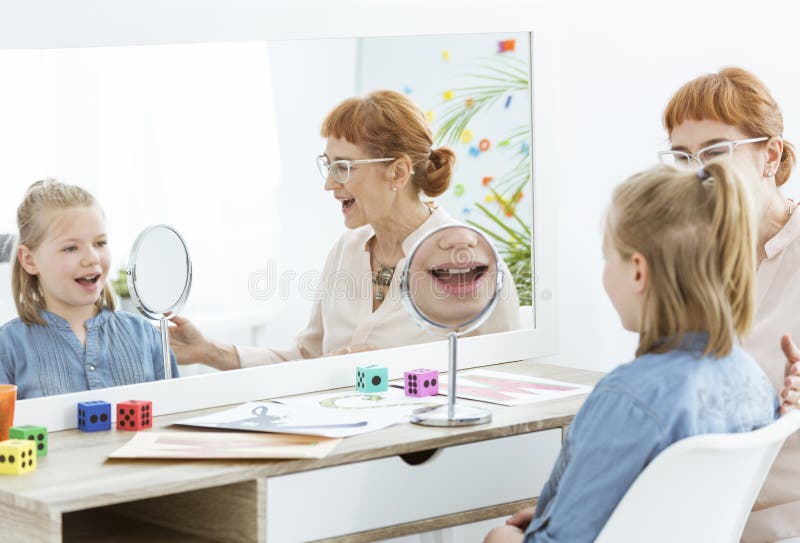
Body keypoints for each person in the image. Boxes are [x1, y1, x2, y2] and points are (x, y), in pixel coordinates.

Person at [484, 160, 778, 543]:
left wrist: (506, 536)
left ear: (638, 271)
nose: (605, 272)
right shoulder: (754, 381)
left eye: (607, 257)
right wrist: (552, 515)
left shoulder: (627, 399)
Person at [168, 90, 520, 370]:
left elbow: (505, 372)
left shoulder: (469, 258)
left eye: (344, 168)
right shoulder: (346, 249)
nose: (329, 184)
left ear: (398, 173)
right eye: (329, 166)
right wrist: (208, 351)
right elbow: (307, 360)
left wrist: (392, 371)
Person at [658, 67, 799, 543]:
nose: (696, 172)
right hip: (695, 511)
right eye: (681, 156)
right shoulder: (688, 263)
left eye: (716, 151)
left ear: (770, 155)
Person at [0, 179, 178, 399]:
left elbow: (176, 413)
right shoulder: (7, 347)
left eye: (100, 243)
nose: (92, 258)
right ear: (29, 260)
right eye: (70, 248)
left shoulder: (145, 335)